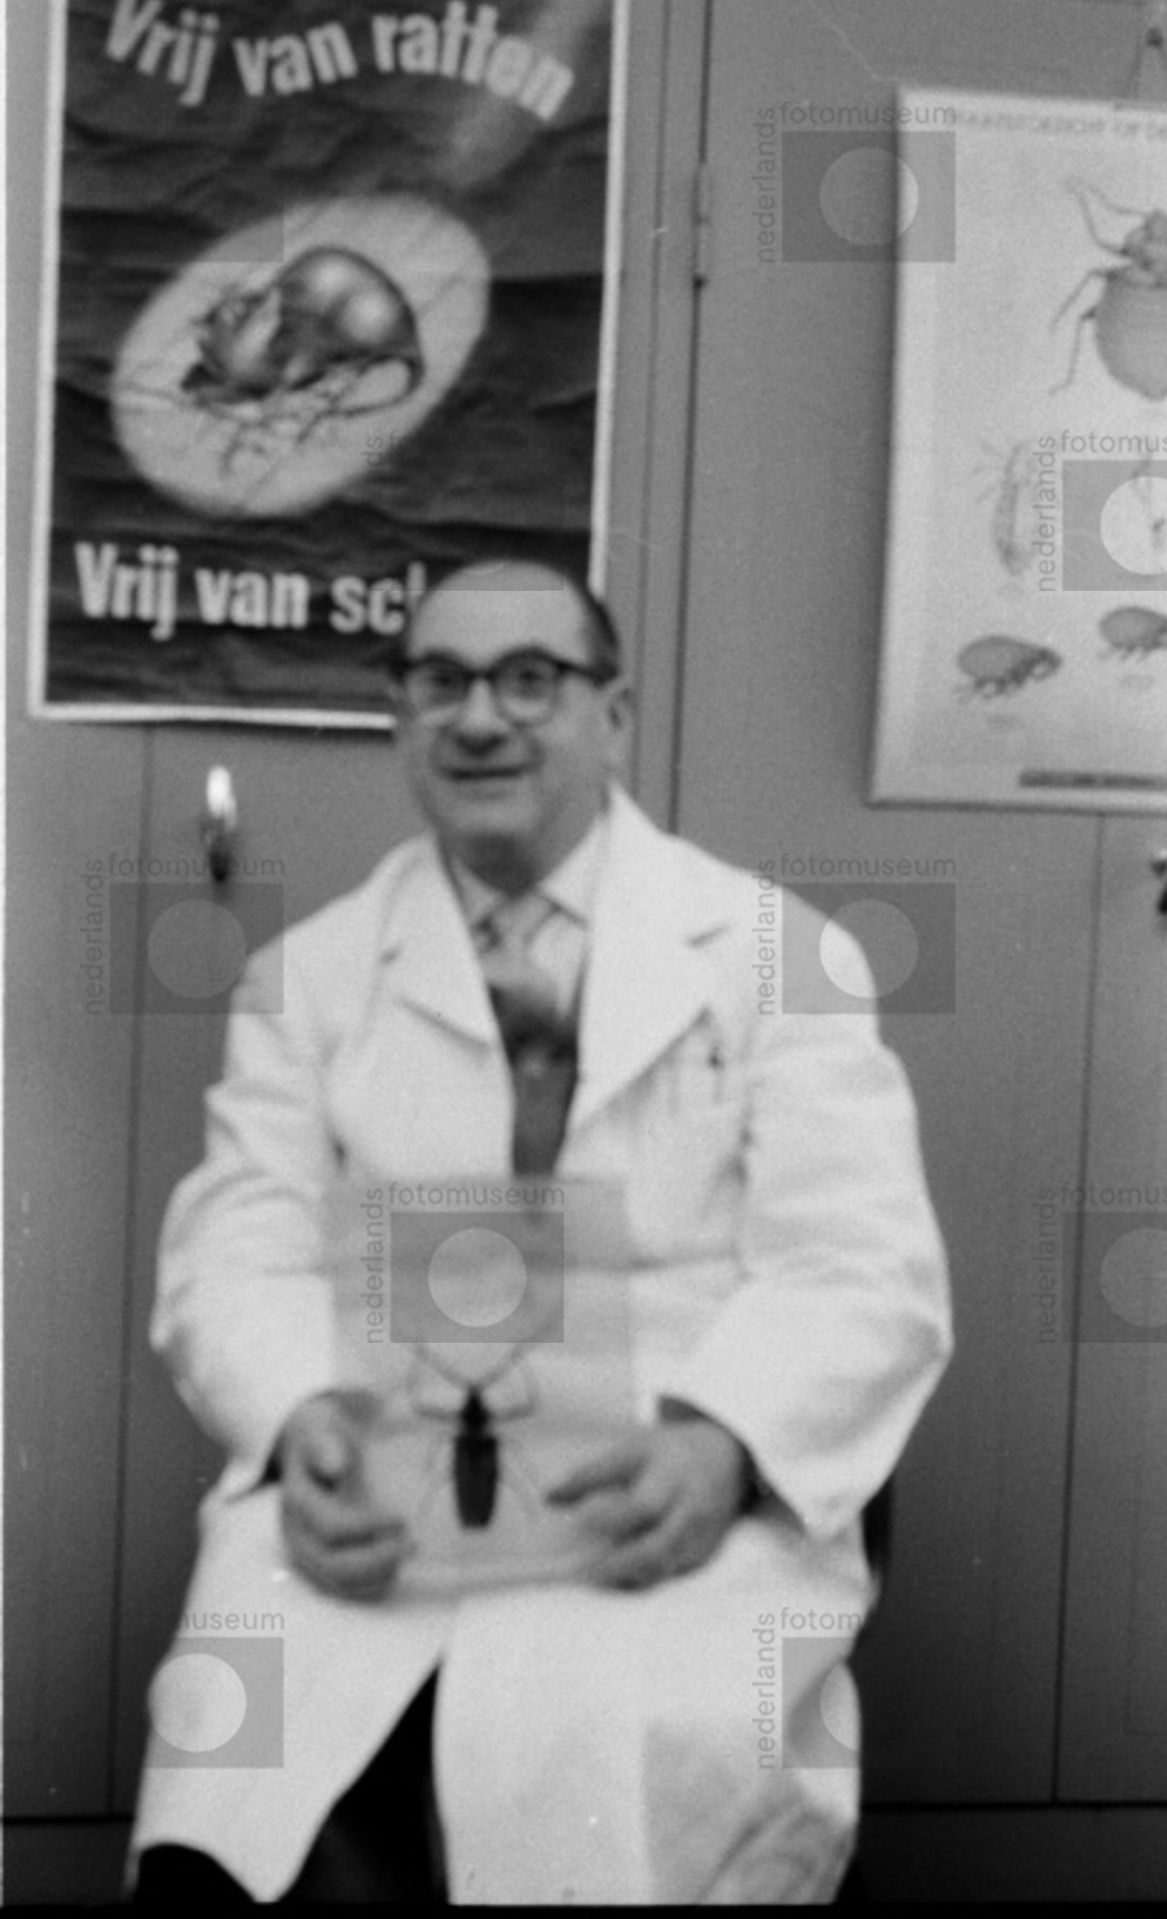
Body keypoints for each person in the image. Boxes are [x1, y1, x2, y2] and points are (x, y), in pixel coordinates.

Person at [128, 560, 952, 1905]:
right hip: (379, 1496)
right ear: (399, 717)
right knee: (238, 1766)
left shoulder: (777, 955)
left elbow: (863, 1269)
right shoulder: (309, 976)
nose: (479, 719)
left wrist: (721, 1444)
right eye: (439, 682)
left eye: (529, 680)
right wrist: (296, 1418)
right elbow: (236, 1249)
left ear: (611, 715)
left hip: (665, 1496)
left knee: (623, 1763)